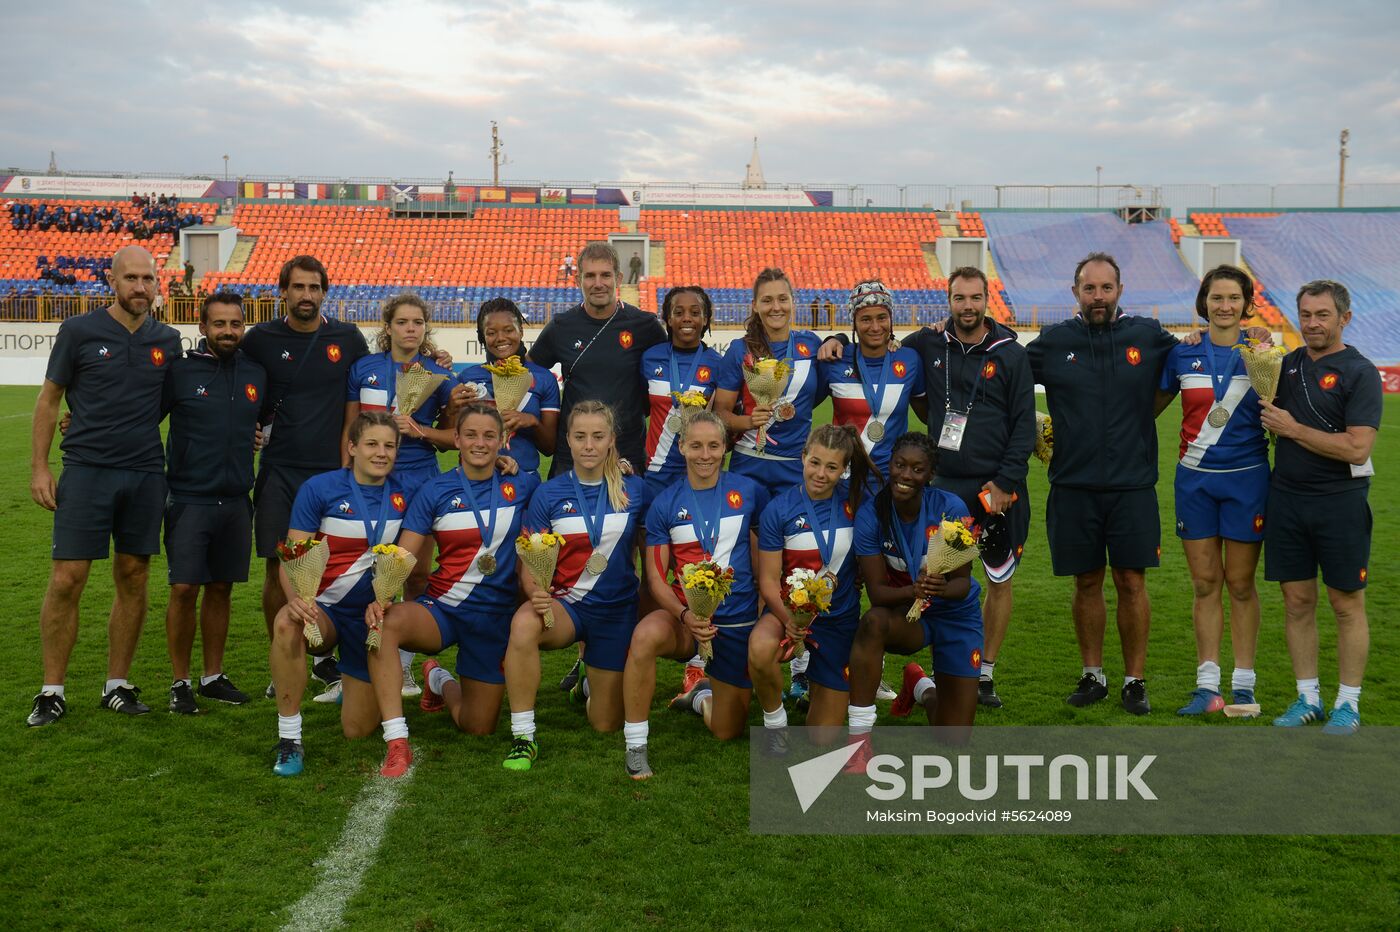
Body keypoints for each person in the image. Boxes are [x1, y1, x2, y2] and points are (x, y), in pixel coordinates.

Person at [27, 246, 183, 727]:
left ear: (159, 284)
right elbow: (50, 400)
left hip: (143, 473)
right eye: (131, 278)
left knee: (134, 575)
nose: (141, 287)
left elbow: (167, 404)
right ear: (110, 282)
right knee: (67, 579)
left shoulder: (169, 339)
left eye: (149, 279)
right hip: (87, 470)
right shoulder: (79, 330)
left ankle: (117, 683)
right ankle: (52, 689)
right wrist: (39, 467)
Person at [1025, 252, 1176, 715]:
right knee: (1086, 581)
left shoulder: (1148, 337)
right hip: (1072, 485)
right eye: (1088, 289)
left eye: (1105, 288)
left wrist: (1145, 415)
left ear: (1120, 291)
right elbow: (1002, 374)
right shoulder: (1053, 342)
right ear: (1075, 293)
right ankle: (1093, 675)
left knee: (1132, 581)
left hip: (1133, 486)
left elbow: (1188, 363)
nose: (1097, 297)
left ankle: (1135, 680)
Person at [365, 404, 541, 777]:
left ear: (502, 441)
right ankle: (397, 742)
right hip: (441, 609)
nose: (480, 443)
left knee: (478, 726)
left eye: (489, 435)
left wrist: (620, 467)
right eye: (472, 435)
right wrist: (380, 596)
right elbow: (405, 554)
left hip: (494, 619)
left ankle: (437, 679)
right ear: (456, 440)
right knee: (385, 623)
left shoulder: (523, 484)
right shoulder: (435, 490)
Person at [904, 266, 1035, 709]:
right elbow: (878, 346)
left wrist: (1005, 481)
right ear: (949, 300)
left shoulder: (1011, 354)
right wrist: (836, 342)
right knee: (940, 579)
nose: (967, 306)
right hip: (945, 488)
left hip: (998, 489)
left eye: (975, 298)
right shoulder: (929, 342)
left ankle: (985, 674)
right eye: (959, 298)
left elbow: (1023, 426)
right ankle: (949, 669)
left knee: (998, 579)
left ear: (986, 300)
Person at [242, 256, 370, 703]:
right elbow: (234, 386)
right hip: (279, 470)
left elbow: (377, 380)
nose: (306, 296)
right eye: (298, 287)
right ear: (283, 292)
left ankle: (324, 656)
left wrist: (434, 356)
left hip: (333, 475)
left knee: (334, 569)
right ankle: (284, 658)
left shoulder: (346, 338)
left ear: (324, 293)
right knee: (279, 568)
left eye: (314, 288)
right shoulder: (259, 339)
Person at [1260, 280, 1381, 735]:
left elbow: (1356, 448)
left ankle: (1348, 703)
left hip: (1340, 503)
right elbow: (1247, 357)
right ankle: (1307, 698)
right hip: (1287, 500)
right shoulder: (1284, 366)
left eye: (1322, 315)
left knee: (1346, 602)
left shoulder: (1360, 371)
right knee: (1296, 602)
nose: (1312, 323)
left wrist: (1292, 429)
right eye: (1305, 314)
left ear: (1343, 318)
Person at [621, 411, 768, 779]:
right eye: (697, 445)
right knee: (643, 636)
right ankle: (636, 745)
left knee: (726, 730)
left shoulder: (749, 491)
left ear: (725, 448)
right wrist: (686, 616)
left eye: (714, 446)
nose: (705, 454)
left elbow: (763, 548)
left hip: (737, 621)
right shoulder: (665, 504)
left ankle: (699, 694)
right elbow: (655, 578)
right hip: (684, 619)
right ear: (682, 446)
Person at [501, 401, 647, 771]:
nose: (588, 445)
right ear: (567, 439)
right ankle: (523, 736)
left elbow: (654, 546)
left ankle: (587, 679)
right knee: (523, 624)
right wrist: (534, 589)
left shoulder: (635, 490)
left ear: (612, 440)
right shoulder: (549, 494)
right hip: (567, 606)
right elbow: (530, 558)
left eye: (598, 437)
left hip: (616, 613)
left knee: (605, 723)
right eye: (580, 436)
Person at [1156, 266, 1269, 715]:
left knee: (1240, 584)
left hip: (1247, 480)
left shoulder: (1263, 354)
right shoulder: (1182, 354)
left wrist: (1264, 347)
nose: (1225, 306)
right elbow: (1149, 408)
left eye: (1233, 298)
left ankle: (1243, 686)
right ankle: (1207, 686)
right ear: (1203, 304)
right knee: (1205, 584)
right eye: (1216, 298)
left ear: (1246, 304)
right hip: (1195, 481)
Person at [269, 412, 408, 777]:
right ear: (352, 448)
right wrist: (296, 600)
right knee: (286, 623)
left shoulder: (405, 492)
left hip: (372, 618)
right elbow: (292, 555)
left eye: (389, 445)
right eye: (372, 444)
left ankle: (352, 681)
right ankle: (289, 739)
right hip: (325, 610)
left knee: (358, 730)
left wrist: (505, 464)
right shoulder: (321, 488)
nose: (381, 453)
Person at [847, 433, 983, 765]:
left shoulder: (950, 508)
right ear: (890, 464)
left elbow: (962, 585)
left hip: (955, 614)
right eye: (900, 465)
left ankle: (920, 685)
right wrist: (914, 591)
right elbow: (877, 593)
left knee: (955, 738)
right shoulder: (871, 515)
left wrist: (937, 589)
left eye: (917, 469)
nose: (906, 475)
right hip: (908, 613)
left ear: (930, 475)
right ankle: (859, 742)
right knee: (873, 622)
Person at [162, 292, 267, 714]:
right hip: (189, 498)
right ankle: (179, 682)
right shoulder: (180, 372)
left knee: (221, 588)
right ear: (202, 327)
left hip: (237, 499)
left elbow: (268, 422)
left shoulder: (256, 373)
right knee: (185, 588)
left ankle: (212, 676)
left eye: (235, 324)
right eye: (219, 324)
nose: (227, 331)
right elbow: (140, 415)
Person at [751, 425, 872, 750]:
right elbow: (767, 580)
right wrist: (789, 620)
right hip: (786, 612)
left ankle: (816, 687)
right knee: (761, 648)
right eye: (815, 463)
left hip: (838, 620)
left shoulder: (858, 500)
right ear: (803, 457)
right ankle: (775, 724)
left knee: (821, 738)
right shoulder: (779, 509)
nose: (821, 473)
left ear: (844, 469)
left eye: (832, 467)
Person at [640, 286, 725, 703]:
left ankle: (699, 663)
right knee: (650, 576)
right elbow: (642, 410)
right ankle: (639, 659)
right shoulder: (650, 358)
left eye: (695, 311)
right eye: (678, 312)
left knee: (703, 569)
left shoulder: (718, 363)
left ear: (707, 318)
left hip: (700, 478)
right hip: (655, 481)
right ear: (667, 318)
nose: (687, 318)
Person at [529, 241, 666, 476]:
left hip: (627, 451)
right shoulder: (562, 326)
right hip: (572, 453)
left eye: (606, 275)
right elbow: (529, 371)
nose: (598, 283)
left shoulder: (645, 325)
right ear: (578, 280)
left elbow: (669, 371)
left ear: (619, 278)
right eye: (590, 276)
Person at [713, 268, 828, 495]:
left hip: (796, 465)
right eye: (767, 300)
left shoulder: (812, 345)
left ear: (793, 302)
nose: (776, 307)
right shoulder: (740, 350)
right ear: (755, 305)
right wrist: (748, 422)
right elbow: (720, 414)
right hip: (749, 462)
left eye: (782, 299)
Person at [820, 280, 923, 477]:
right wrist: (836, 338)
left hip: (892, 479)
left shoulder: (910, 360)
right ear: (854, 322)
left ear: (891, 318)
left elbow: (927, 415)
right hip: (844, 478)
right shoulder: (835, 359)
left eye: (882, 317)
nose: (875, 327)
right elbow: (803, 408)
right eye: (866, 319)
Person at [454, 297, 559, 479]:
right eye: (491, 332)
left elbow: (549, 448)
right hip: (476, 478)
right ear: (482, 336)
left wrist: (532, 422)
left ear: (521, 331)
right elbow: (454, 437)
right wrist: (450, 408)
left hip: (524, 480)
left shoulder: (544, 378)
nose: (501, 338)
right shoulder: (467, 378)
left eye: (509, 330)